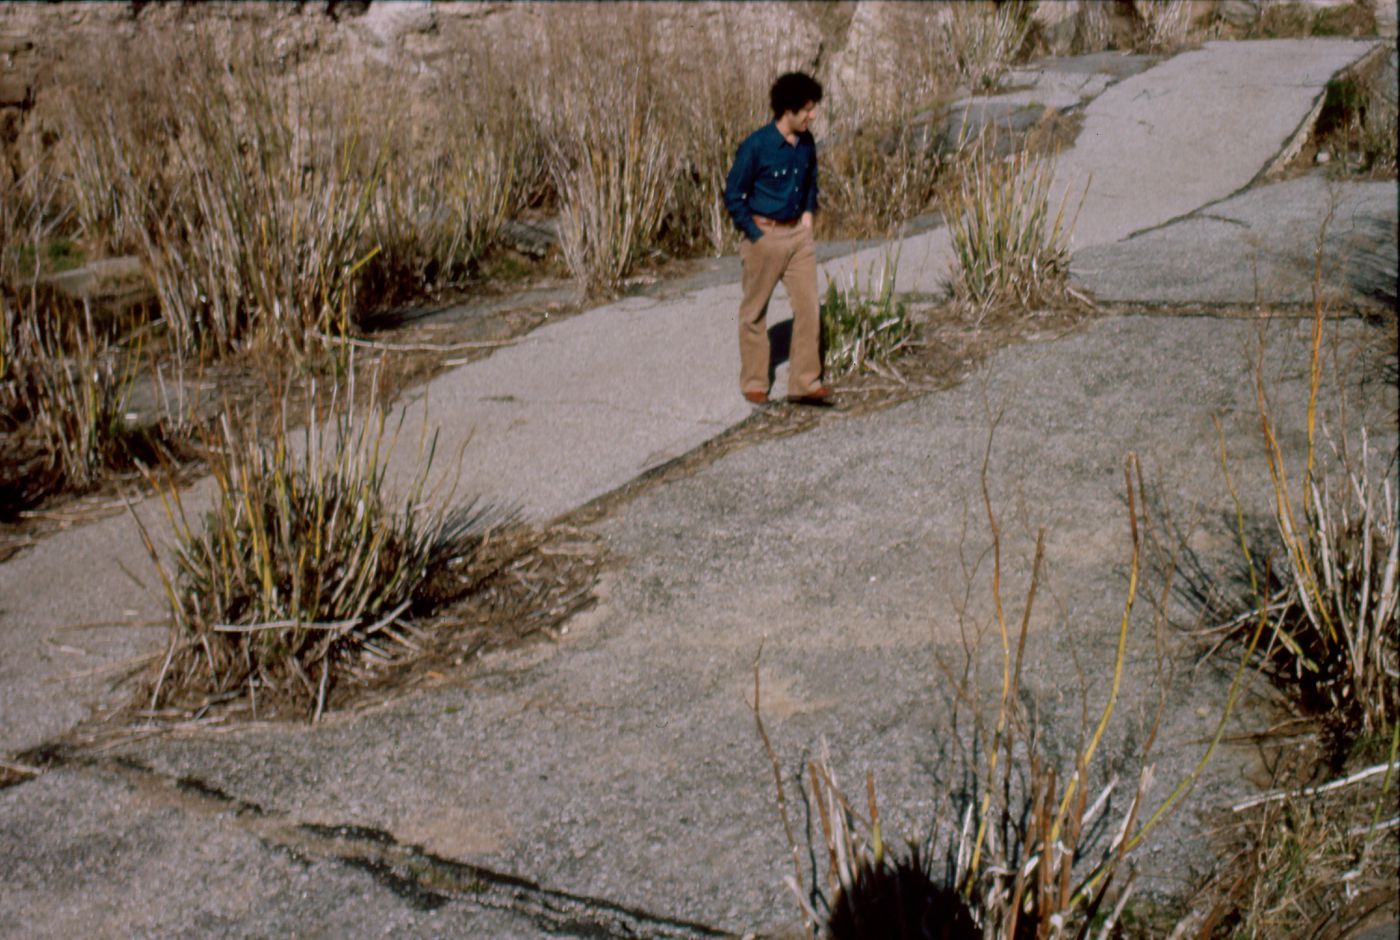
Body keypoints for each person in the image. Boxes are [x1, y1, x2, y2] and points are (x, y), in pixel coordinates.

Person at [724, 71, 832, 406]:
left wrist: (808, 213)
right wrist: (755, 234)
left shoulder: (807, 142)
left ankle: (804, 383)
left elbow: (811, 179)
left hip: (798, 237)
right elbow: (733, 194)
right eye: (807, 109)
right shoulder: (757, 146)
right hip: (764, 236)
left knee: (809, 307)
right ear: (789, 110)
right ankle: (755, 381)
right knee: (754, 312)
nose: (812, 115)